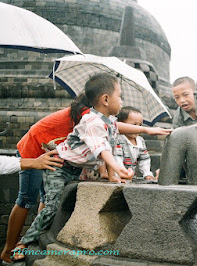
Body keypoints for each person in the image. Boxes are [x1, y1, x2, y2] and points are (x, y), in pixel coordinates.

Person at [1, 90, 171, 263]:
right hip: (36, 151)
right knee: (28, 200)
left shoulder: (105, 120)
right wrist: (118, 167)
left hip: (60, 158)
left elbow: (111, 134)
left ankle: (39, 238)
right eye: (119, 96)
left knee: (50, 201)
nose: (121, 101)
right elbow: (102, 145)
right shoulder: (89, 116)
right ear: (103, 100)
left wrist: (144, 131)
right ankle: (13, 247)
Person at [105, 106, 156, 182]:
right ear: (122, 124)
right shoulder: (118, 139)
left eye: (140, 125)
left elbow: (144, 158)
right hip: (118, 175)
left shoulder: (140, 141)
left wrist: (147, 173)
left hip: (131, 176)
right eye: (134, 125)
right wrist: (122, 173)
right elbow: (117, 158)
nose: (137, 128)